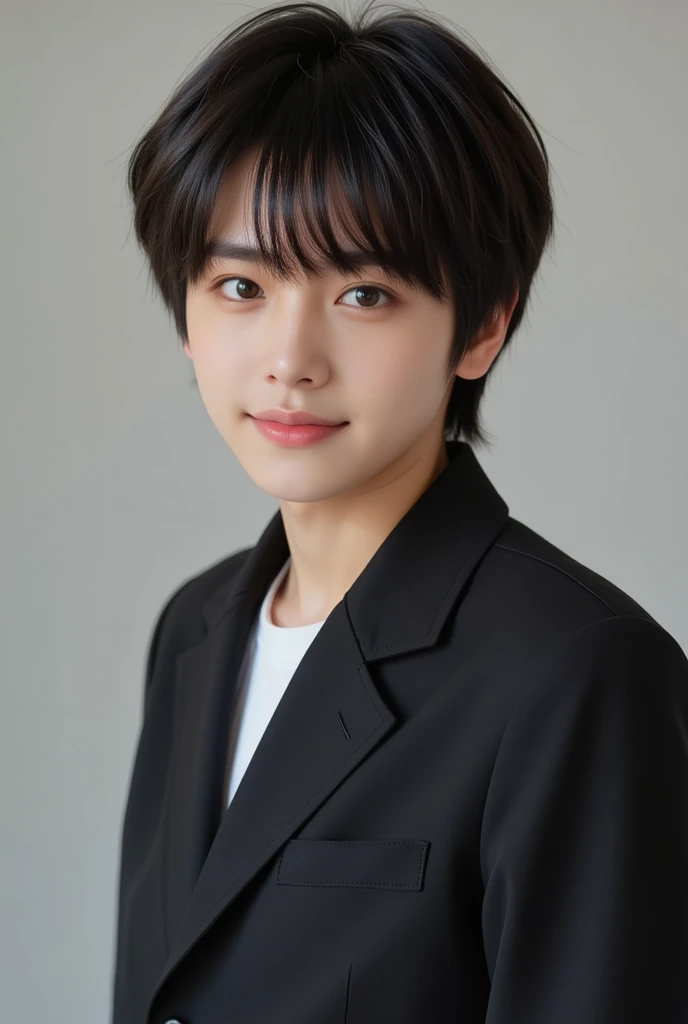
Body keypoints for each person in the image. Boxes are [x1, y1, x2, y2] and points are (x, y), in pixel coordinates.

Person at [111, 2, 688, 1022]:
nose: (290, 358)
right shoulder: (192, 630)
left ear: (481, 324)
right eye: (241, 284)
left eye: (363, 294)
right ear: (187, 314)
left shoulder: (578, 674)